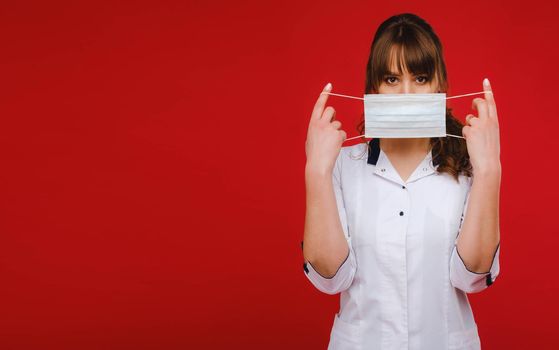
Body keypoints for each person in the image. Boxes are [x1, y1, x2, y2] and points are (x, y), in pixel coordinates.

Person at [302, 13, 501, 350]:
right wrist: (316, 172)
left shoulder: (470, 165)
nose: (407, 93)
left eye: (420, 78)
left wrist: (490, 169)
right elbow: (330, 279)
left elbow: (472, 277)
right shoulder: (343, 165)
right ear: (373, 88)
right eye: (392, 79)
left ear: (439, 85)